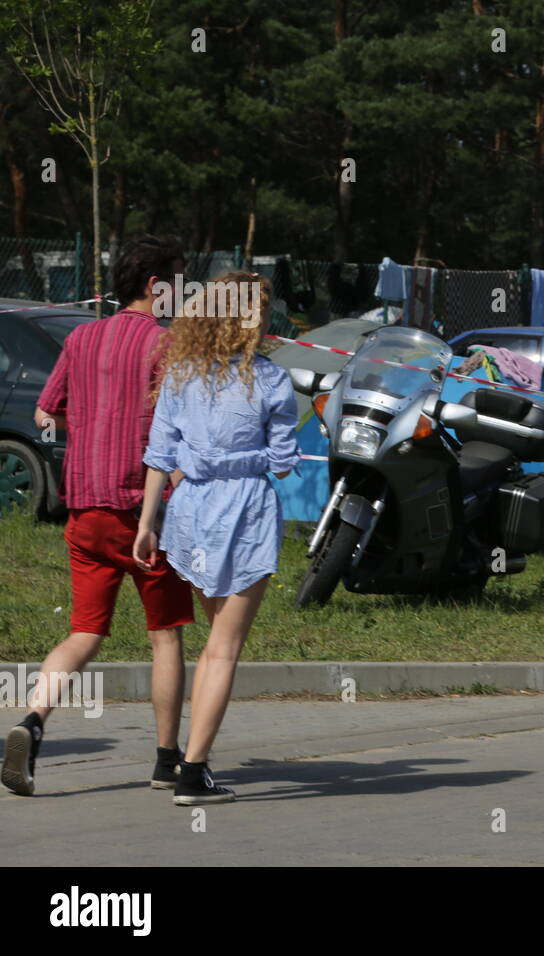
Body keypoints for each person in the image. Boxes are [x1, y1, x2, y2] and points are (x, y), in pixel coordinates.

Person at [4, 236, 195, 798]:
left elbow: (46, 412)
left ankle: (32, 720)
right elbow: (181, 432)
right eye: (180, 283)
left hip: (84, 510)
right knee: (166, 637)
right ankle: (165, 760)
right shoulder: (167, 346)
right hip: (144, 515)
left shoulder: (82, 337)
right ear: (157, 286)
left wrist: (88, 427)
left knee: (84, 632)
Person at [133, 271, 300, 806]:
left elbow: (159, 454)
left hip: (190, 512)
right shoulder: (272, 380)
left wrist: (145, 524)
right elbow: (282, 462)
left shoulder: (182, 374)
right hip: (245, 509)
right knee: (222, 649)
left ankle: (185, 764)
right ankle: (193, 771)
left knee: (211, 644)